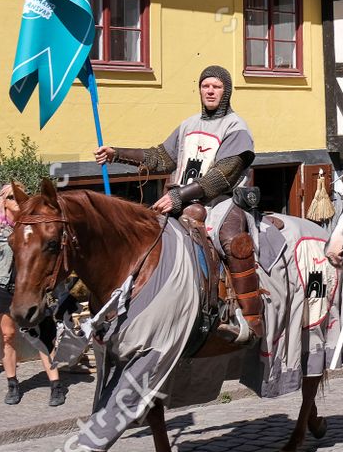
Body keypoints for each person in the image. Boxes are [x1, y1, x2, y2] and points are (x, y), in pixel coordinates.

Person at [96, 66, 261, 343]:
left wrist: (178, 197)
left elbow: (223, 176)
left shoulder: (237, 128)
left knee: (232, 241)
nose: (210, 91)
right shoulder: (188, 125)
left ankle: (251, 317)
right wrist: (117, 154)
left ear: (226, 91)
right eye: (205, 86)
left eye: (216, 87)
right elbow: (161, 157)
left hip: (221, 202)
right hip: (182, 202)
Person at [0, 185, 66, 407]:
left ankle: (56, 385)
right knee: (8, 337)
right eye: (11, 197)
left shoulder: (34, 226)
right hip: (4, 288)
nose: (17, 201)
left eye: (20, 196)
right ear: (4, 202)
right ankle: (12, 384)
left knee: (44, 337)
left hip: (30, 289)